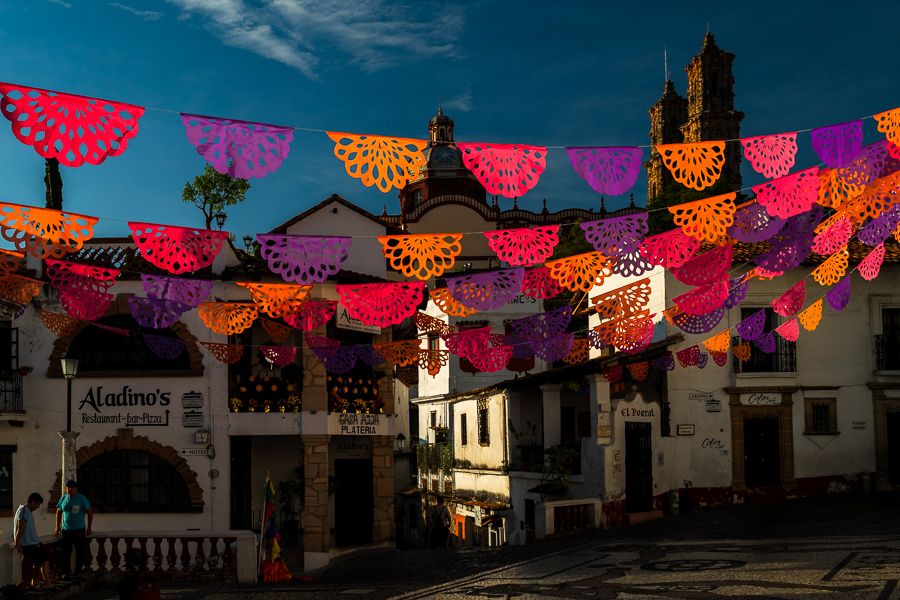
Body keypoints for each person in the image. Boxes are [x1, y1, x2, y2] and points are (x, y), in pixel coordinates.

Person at [14, 493, 55, 591]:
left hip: (34, 541)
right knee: (38, 561)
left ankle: (47, 583)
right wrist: (17, 543)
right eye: (38, 504)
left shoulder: (28, 511)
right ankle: (35, 580)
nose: (38, 507)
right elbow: (20, 527)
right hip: (28, 543)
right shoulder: (23, 510)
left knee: (45, 558)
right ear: (33, 502)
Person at [55, 480, 93, 580]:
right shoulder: (63, 498)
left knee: (79, 551)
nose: (70, 489)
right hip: (66, 529)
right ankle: (67, 572)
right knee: (66, 552)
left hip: (79, 529)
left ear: (76, 488)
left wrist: (89, 527)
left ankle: (78, 571)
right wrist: (57, 526)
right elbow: (58, 512)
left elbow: (89, 512)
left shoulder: (81, 498)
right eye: (68, 488)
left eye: (72, 487)